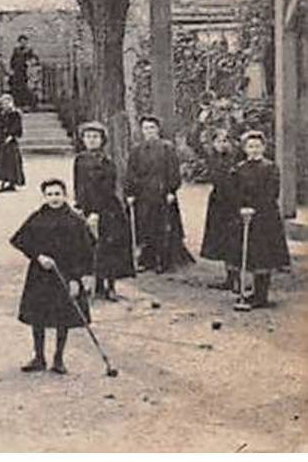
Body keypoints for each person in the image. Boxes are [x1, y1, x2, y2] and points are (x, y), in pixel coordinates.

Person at [10, 178, 96, 375]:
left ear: (65, 195)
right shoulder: (38, 217)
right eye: (49, 194)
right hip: (40, 275)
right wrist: (37, 255)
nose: (54, 198)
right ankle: (38, 357)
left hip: (65, 275)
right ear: (44, 197)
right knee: (37, 316)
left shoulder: (75, 221)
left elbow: (87, 250)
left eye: (57, 194)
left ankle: (58, 358)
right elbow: (19, 240)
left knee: (62, 317)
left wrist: (78, 278)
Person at [72, 122, 134, 300]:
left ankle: (111, 286)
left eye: (95, 137)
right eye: (88, 137)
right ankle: (97, 285)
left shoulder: (107, 162)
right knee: (91, 247)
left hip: (107, 210)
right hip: (87, 208)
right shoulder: (80, 160)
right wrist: (80, 206)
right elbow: (79, 185)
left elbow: (107, 190)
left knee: (109, 248)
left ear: (102, 140)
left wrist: (96, 212)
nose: (91, 140)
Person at [125, 115, 193, 273]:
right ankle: (146, 260)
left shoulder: (167, 147)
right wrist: (131, 193)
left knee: (162, 228)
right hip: (144, 195)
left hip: (162, 195)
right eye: (145, 128)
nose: (148, 131)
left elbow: (173, 171)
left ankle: (162, 261)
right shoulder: (136, 150)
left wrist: (171, 190)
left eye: (151, 128)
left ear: (158, 129)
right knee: (145, 228)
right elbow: (131, 173)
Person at [231, 130, 289, 311]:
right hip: (245, 218)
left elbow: (271, 192)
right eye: (250, 146)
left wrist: (254, 208)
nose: (254, 150)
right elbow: (235, 192)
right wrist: (241, 207)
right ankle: (252, 291)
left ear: (263, 147)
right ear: (245, 149)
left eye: (257, 146)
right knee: (249, 254)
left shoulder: (270, 168)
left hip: (265, 218)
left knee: (263, 256)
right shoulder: (239, 169)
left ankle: (261, 295)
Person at [200, 127, 243, 293]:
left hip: (234, 203)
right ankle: (229, 278)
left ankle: (238, 278)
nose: (222, 144)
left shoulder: (237, 159)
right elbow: (195, 142)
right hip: (218, 204)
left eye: (225, 141)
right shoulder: (212, 158)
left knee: (235, 241)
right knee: (223, 241)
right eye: (218, 141)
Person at [0, 92, 26, 192]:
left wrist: (11, 136)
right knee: (1, 162)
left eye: (7, 102)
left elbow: (17, 127)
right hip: (1, 140)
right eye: (3, 103)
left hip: (10, 142)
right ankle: (3, 181)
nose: (5, 105)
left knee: (11, 162)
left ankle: (12, 182)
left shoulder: (15, 114)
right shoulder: (3, 114)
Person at [8, 35, 39, 110]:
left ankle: (29, 104)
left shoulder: (29, 51)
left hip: (25, 71)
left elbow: (34, 60)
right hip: (17, 72)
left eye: (24, 42)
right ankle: (18, 103)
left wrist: (30, 63)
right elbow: (12, 61)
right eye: (21, 42)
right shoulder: (16, 50)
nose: (23, 43)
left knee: (26, 87)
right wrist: (12, 69)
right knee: (16, 87)